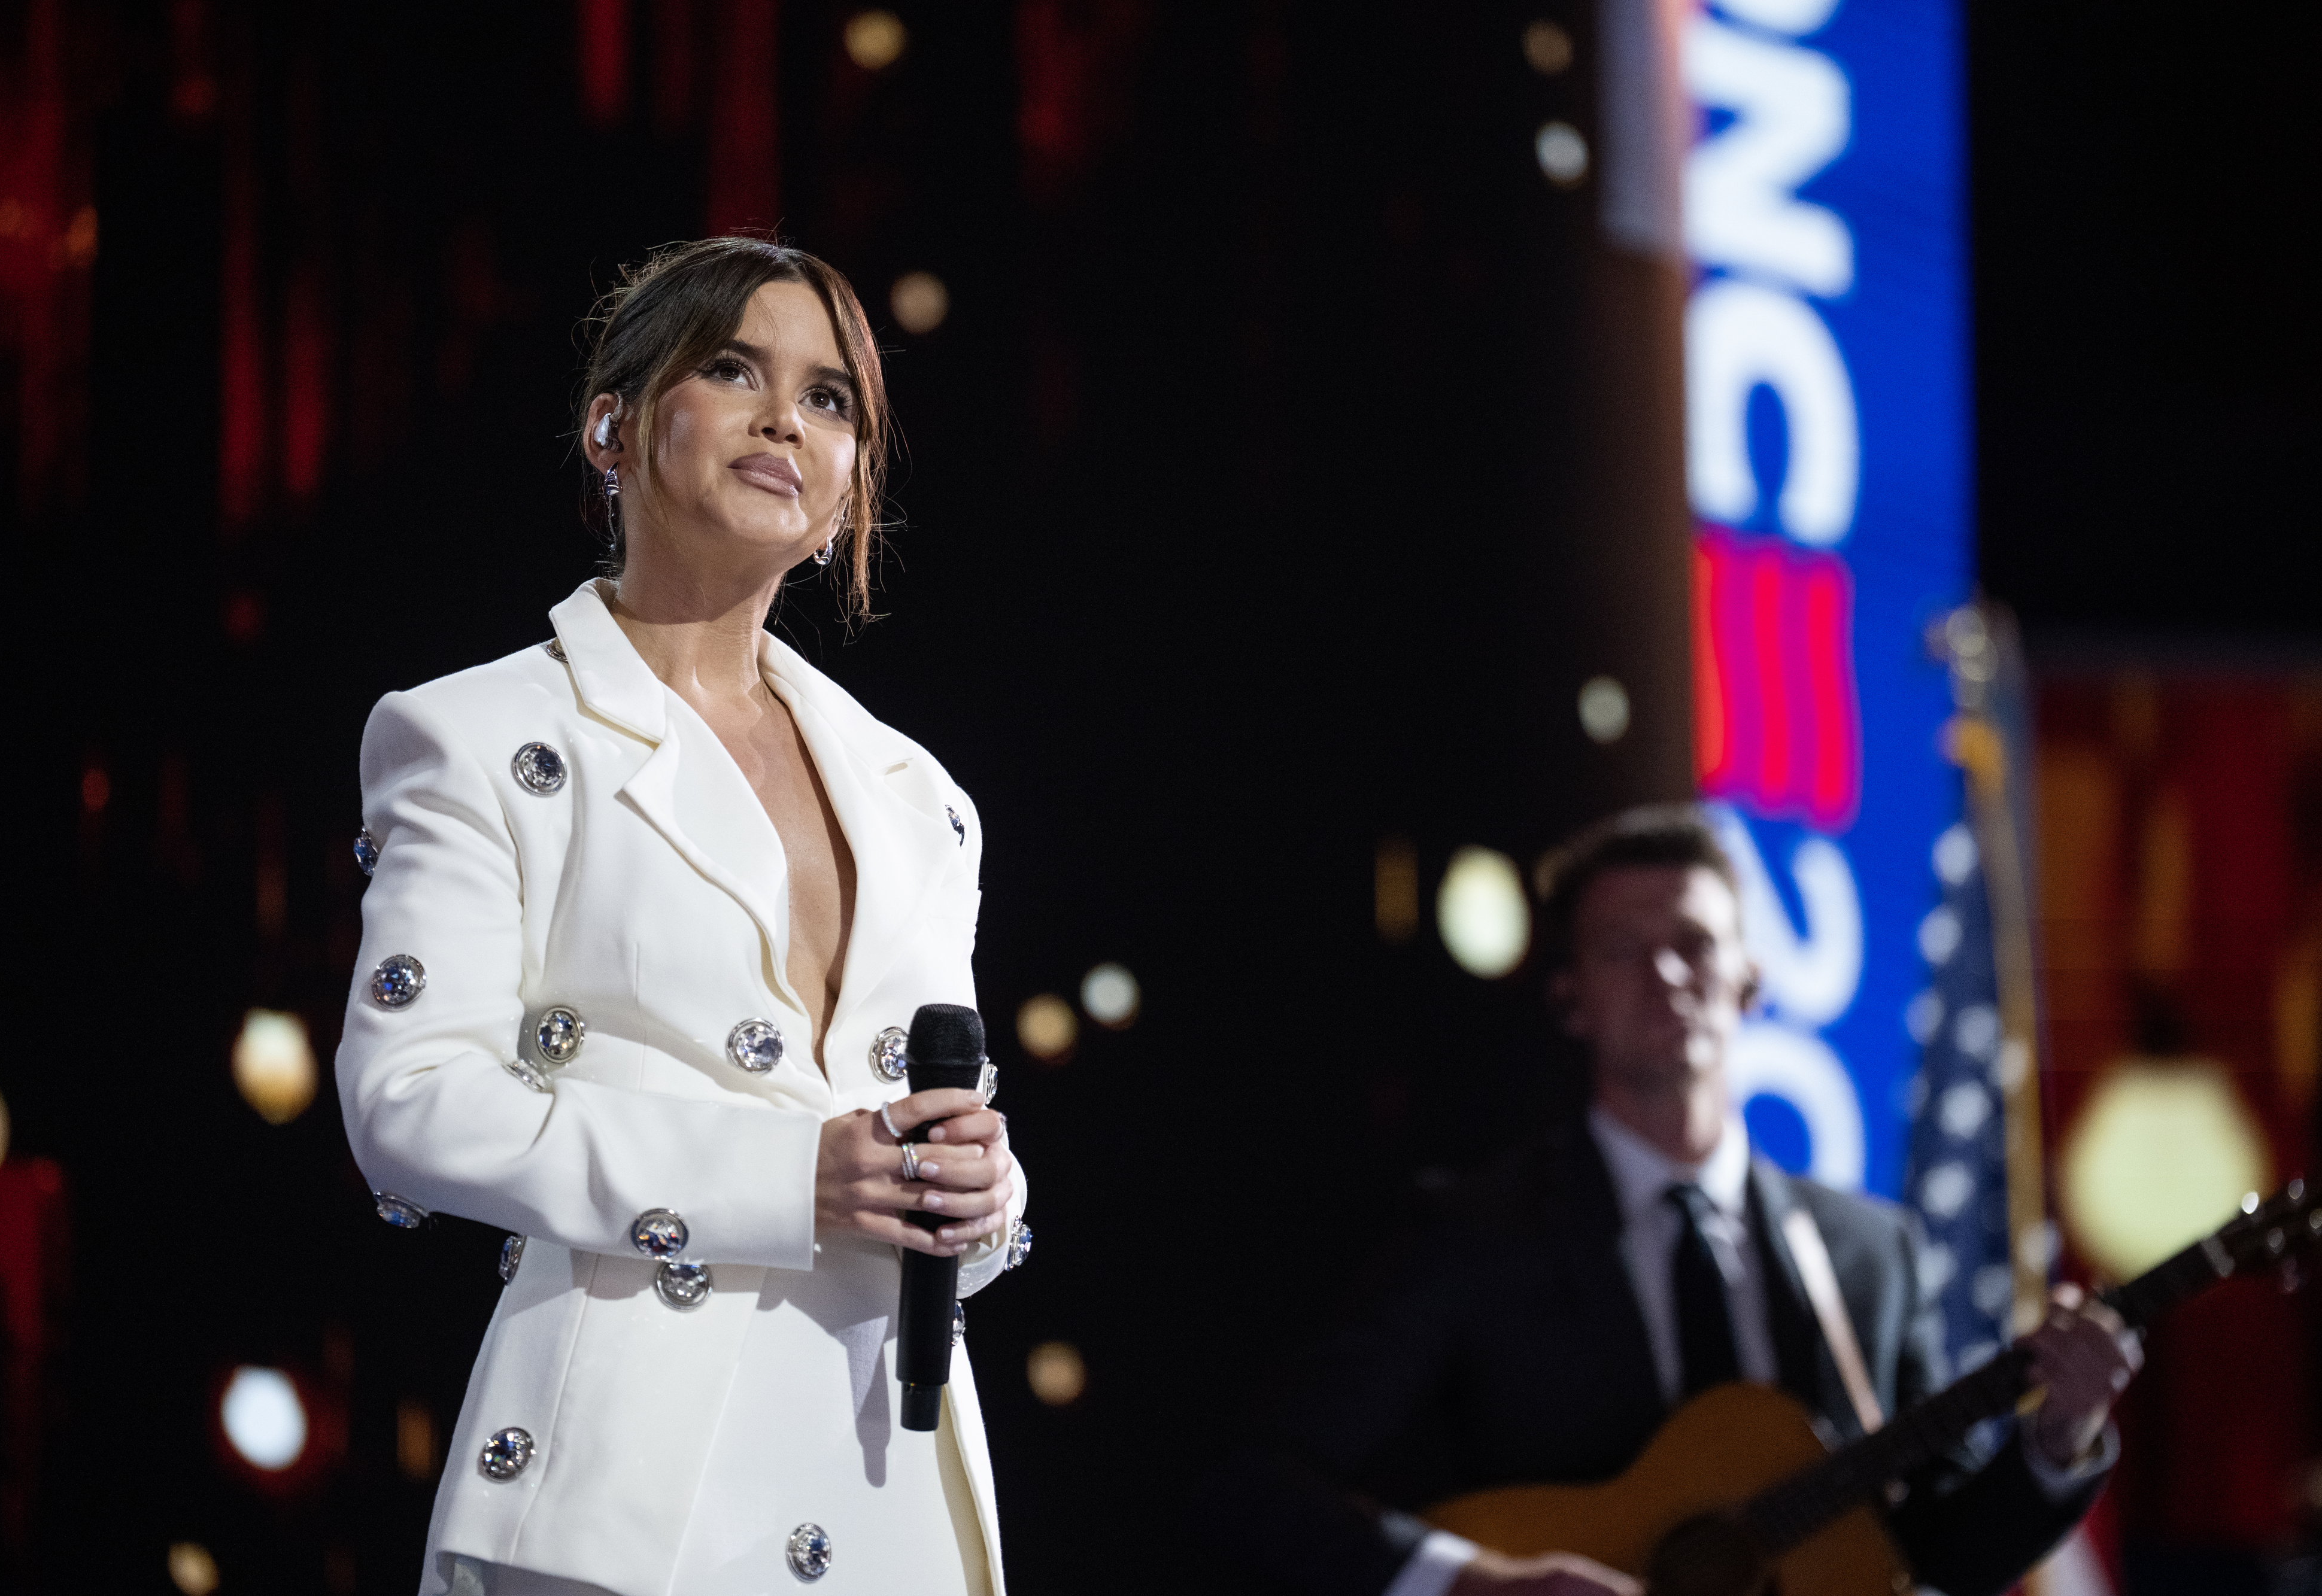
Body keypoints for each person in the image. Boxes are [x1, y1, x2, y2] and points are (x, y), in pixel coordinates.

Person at [335, 236, 1028, 1596]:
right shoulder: (482, 735)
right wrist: (784, 1180)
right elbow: (410, 1099)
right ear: (615, 425)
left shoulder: (918, 797)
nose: (786, 421)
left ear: (851, 485)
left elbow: (927, 1131)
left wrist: (984, 1196)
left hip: (887, 1486)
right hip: (622, 1505)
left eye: (829, 398)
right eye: (733, 370)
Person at [1212, 805, 2137, 1596]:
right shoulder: (1476, 1236)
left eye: (1695, 943)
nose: (1665, 974)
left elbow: (1929, 1553)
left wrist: (2060, 1437)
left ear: (1749, 981)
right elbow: (1259, 1485)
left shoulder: (1868, 1252)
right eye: (1623, 950)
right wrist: (1473, 1582)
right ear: (1569, 998)